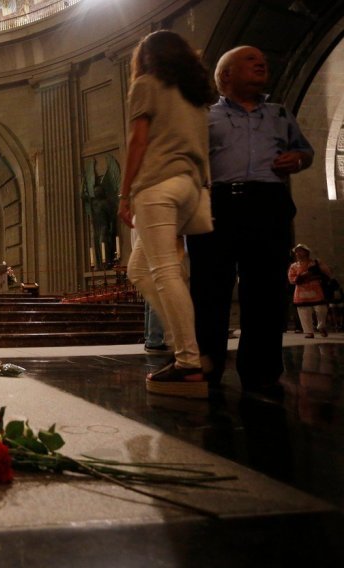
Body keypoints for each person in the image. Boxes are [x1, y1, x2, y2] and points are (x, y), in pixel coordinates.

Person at [186, 46, 314, 399]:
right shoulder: (204, 117)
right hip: (218, 205)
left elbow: (305, 151)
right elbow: (188, 162)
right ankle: (206, 365)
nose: (262, 62)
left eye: (263, 59)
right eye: (250, 59)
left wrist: (299, 160)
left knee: (268, 291)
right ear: (226, 75)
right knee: (209, 289)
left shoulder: (280, 114)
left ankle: (262, 371)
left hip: (268, 203)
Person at [118, 30, 217, 398]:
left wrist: (124, 193)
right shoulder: (195, 96)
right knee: (139, 270)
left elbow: (138, 140)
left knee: (164, 271)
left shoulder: (146, 83)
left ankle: (189, 362)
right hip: (190, 187)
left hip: (157, 185)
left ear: (147, 57)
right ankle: (183, 344)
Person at [288, 244, 331, 338]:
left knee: (321, 309)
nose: (297, 253)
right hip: (301, 292)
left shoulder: (316, 262)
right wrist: (302, 276)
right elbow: (291, 279)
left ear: (306, 252)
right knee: (304, 312)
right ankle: (308, 331)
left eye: (300, 251)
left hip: (316, 291)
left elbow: (327, 273)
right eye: (296, 252)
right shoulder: (294, 266)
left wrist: (316, 274)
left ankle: (321, 326)